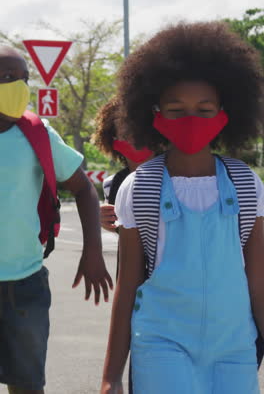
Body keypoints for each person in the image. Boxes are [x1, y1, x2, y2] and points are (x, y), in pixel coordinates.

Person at [101, 22, 264, 394]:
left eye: (205, 110)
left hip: (235, 348)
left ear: (226, 112)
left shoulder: (245, 183)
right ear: (153, 113)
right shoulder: (139, 188)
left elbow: (258, 282)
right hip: (161, 344)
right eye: (176, 110)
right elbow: (128, 288)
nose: (191, 120)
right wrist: (111, 376)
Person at [0, 45, 113, 394]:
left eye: (21, 78)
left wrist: (92, 251)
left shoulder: (37, 134)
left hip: (25, 284)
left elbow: (83, 188)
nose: (15, 85)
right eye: (5, 78)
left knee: (27, 385)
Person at [93, 96, 153, 235]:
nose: (134, 138)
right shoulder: (111, 184)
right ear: (112, 137)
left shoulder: (178, 175)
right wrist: (104, 221)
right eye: (126, 132)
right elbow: (120, 231)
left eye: (141, 130)